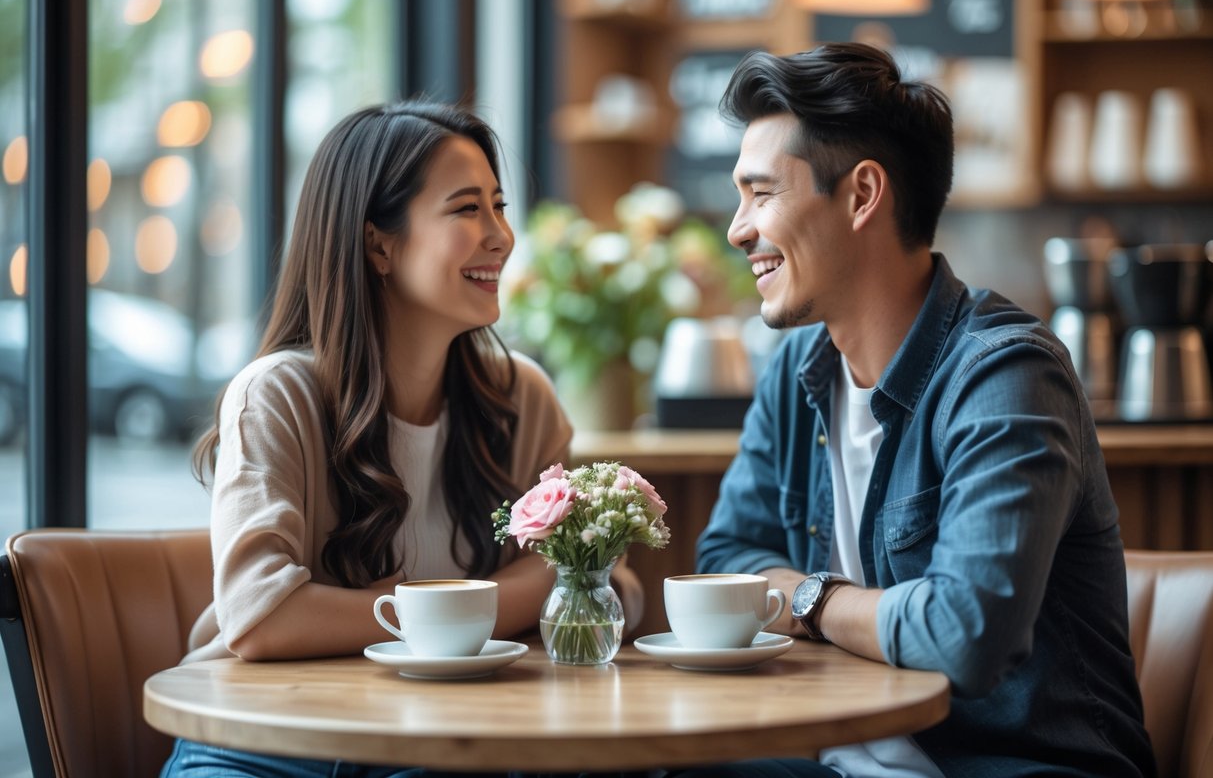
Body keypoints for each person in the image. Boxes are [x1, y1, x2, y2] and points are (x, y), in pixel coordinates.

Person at [692, 43, 1156, 777]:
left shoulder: (1005, 374)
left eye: (761, 194)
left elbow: (962, 633)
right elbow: (724, 560)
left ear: (861, 195)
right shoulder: (795, 374)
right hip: (839, 756)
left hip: (1009, 764)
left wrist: (807, 597)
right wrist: (850, 609)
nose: (736, 228)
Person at [163, 100, 641, 777]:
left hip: (451, 742)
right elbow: (262, 621)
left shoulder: (519, 398)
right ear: (378, 243)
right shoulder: (279, 395)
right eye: (466, 209)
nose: (501, 236)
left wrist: (567, 579)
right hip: (271, 742)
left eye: (498, 206)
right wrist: (493, 606)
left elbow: (603, 585)